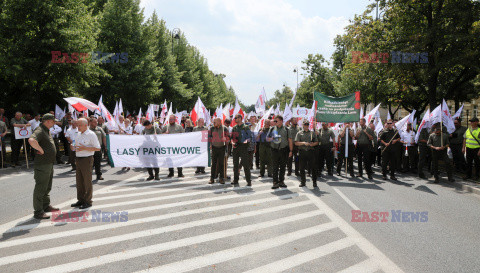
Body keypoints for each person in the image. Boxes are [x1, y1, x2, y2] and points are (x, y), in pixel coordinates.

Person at [28, 113, 59, 220]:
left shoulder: (46, 130)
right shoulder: (40, 130)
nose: (55, 122)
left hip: (48, 163)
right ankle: (38, 211)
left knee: (47, 186)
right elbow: (31, 140)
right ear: (48, 121)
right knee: (41, 187)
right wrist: (40, 150)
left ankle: (46, 205)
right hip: (42, 165)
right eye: (53, 121)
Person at [71, 118, 101, 209]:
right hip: (78, 158)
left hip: (87, 159)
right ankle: (81, 199)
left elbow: (98, 148)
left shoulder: (91, 134)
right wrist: (72, 146)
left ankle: (88, 201)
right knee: (79, 181)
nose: (78, 127)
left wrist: (85, 148)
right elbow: (74, 145)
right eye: (77, 125)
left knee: (87, 181)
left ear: (85, 125)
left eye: (79, 125)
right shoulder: (78, 134)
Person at [267, 115, 291, 189]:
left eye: (276, 121)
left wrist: (291, 151)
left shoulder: (286, 129)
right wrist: (272, 138)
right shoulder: (272, 129)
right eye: (274, 121)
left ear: (281, 121)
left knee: (283, 166)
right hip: (274, 150)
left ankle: (281, 181)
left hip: (284, 150)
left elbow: (290, 140)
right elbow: (267, 139)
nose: (275, 122)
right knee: (275, 167)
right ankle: (275, 182)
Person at [231, 114, 253, 186]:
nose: (235, 119)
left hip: (243, 147)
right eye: (235, 118)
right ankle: (235, 180)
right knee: (235, 165)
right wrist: (232, 143)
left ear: (240, 118)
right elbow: (232, 138)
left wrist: (246, 140)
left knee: (246, 165)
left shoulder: (246, 127)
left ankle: (248, 181)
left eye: (236, 118)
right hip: (236, 147)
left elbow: (250, 137)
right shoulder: (234, 127)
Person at [295, 121, 319, 187]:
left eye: (307, 124)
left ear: (308, 125)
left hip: (310, 152)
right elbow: (296, 143)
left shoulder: (312, 133)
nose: (306, 125)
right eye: (305, 124)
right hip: (302, 151)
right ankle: (303, 182)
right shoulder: (299, 133)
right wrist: (303, 143)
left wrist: (312, 144)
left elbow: (317, 142)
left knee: (313, 167)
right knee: (302, 168)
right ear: (303, 125)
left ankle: (314, 182)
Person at [209, 118, 229, 184]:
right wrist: (210, 144)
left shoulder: (225, 128)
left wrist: (226, 139)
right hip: (214, 148)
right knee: (213, 164)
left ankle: (221, 178)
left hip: (222, 148)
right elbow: (209, 137)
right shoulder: (212, 128)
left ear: (219, 122)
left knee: (221, 164)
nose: (213, 123)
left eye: (215, 122)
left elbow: (228, 138)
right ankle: (212, 178)